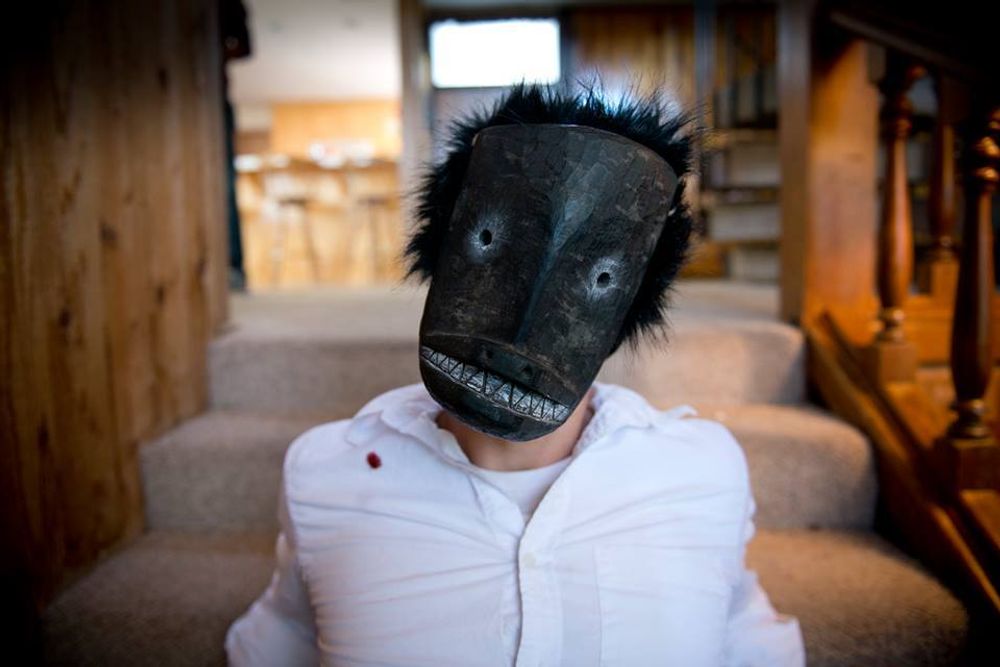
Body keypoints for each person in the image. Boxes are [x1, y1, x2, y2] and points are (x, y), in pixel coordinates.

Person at [226, 84, 804, 666]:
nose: (522, 325)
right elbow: (275, 642)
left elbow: (748, 632)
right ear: (443, 245)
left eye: (599, 277)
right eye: (490, 242)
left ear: (630, 303)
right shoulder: (324, 476)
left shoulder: (704, 472)